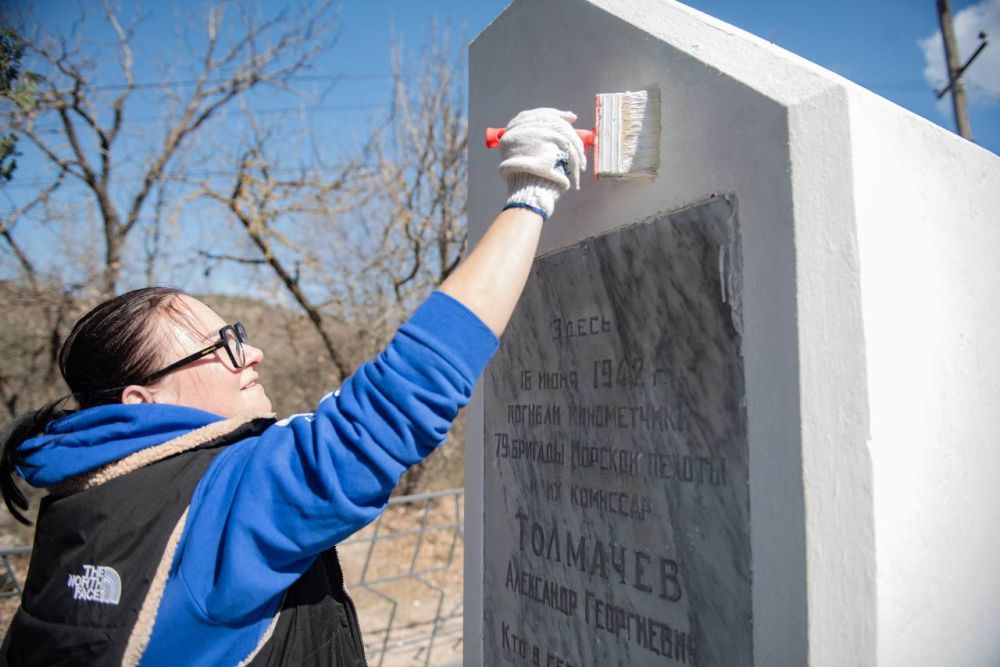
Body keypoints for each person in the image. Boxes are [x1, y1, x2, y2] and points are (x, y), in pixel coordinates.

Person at [0, 108, 586, 666]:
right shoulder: (209, 505)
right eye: (221, 345)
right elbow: (397, 402)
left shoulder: (82, 507)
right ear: (144, 402)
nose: (251, 353)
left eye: (238, 333)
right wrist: (531, 190)